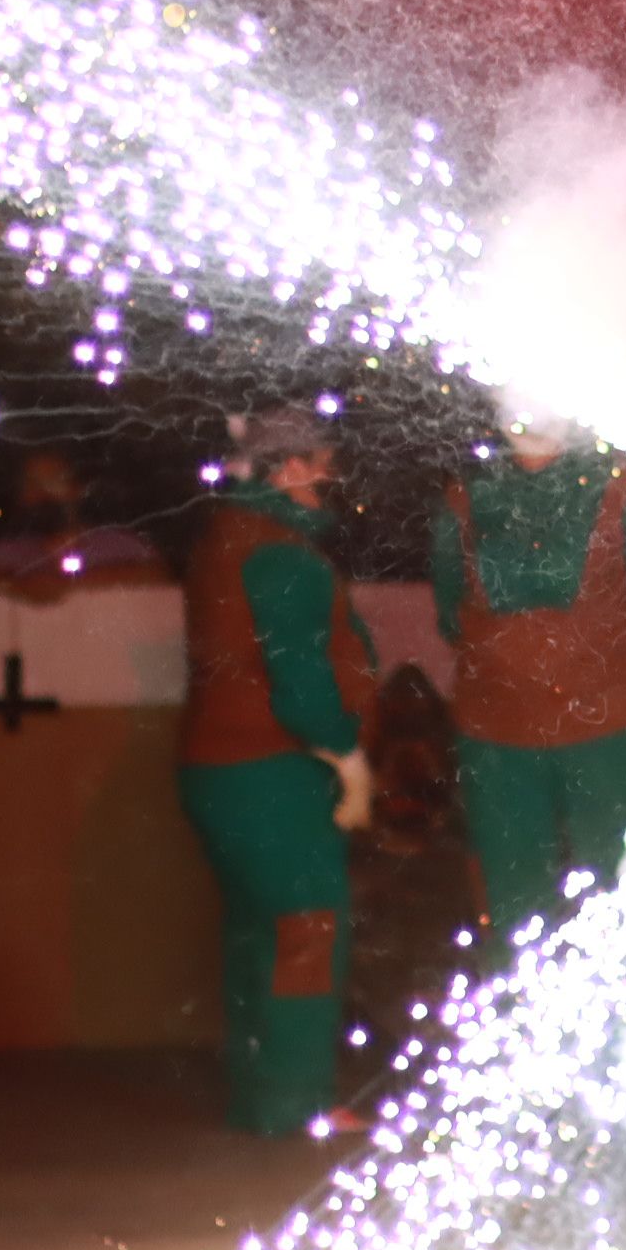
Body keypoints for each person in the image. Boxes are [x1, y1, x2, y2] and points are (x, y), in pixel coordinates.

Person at [176, 406, 376, 1137]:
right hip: (273, 774)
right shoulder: (280, 552)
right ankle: (298, 1104)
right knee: (306, 930)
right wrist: (350, 762)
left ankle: (262, 1100)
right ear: (290, 470)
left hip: (220, 770)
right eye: (323, 461)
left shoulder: (223, 537)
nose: (332, 477)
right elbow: (300, 686)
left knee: (256, 935)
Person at [430, 420, 626, 943]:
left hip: (604, 730)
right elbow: (451, 606)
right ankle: (524, 1009)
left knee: (618, 882)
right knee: (518, 894)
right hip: (503, 735)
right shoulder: (465, 498)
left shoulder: (622, 489)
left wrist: (605, 667)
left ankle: (624, 1012)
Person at [0, 447, 166, 599]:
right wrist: (17, 586)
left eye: (53, 482)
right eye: (33, 484)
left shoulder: (115, 545)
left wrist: (69, 586)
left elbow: (158, 576)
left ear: (76, 489)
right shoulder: (9, 552)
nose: (42, 493)